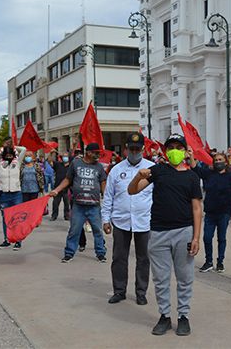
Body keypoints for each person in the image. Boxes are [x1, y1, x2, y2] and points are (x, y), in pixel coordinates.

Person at [128, 133, 202, 336]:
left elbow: (197, 209)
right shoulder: (157, 171)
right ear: (165, 151)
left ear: (186, 151)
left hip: (184, 232)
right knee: (160, 278)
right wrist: (138, 176)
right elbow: (132, 191)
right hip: (159, 232)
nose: (175, 151)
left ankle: (183, 316)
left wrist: (196, 237)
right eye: (171, 147)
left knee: (184, 277)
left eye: (179, 147)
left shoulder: (192, 177)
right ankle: (165, 316)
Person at [102, 133, 154, 305]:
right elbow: (108, 196)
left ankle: (141, 292)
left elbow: (157, 197)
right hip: (121, 221)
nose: (134, 152)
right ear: (125, 149)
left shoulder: (152, 169)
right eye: (131, 149)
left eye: (137, 149)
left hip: (144, 221)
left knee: (143, 258)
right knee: (119, 257)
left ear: (143, 149)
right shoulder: (116, 170)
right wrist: (105, 219)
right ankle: (119, 290)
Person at [50, 143, 107, 263]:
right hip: (78, 205)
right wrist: (56, 190)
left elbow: (103, 183)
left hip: (94, 205)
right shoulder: (75, 163)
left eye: (98, 153)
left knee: (97, 231)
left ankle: (100, 253)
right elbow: (68, 179)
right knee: (74, 230)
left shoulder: (99, 167)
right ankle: (69, 253)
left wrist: (107, 198)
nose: (98, 155)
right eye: (95, 153)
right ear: (88, 153)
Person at [190, 150, 231, 273]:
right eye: (216, 160)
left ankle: (220, 262)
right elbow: (195, 168)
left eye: (220, 160)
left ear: (225, 162)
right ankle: (208, 261)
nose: (218, 162)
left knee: (221, 238)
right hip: (210, 212)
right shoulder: (209, 174)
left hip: (224, 212)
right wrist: (191, 156)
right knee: (207, 237)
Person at [0, 140, 26, 250]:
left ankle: (18, 241)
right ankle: (7, 240)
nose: (9, 156)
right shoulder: (0, 165)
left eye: (11, 154)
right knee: (6, 219)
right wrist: (2, 147)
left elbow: (24, 149)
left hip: (17, 194)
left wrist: (13, 146)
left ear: (13, 155)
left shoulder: (17, 163)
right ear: (4, 155)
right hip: (4, 195)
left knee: (18, 218)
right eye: (7, 155)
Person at [51, 153, 71, 221]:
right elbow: (49, 161)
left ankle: (66, 215)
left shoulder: (71, 166)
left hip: (67, 188)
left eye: (66, 156)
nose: (65, 158)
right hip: (58, 187)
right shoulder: (58, 164)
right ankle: (54, 215)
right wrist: (51, 153)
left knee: (67, 203)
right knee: (55, 203)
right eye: (64, 156)